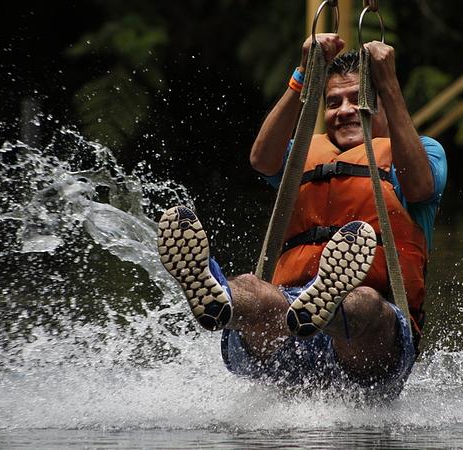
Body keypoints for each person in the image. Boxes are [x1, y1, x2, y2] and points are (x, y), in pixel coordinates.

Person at [157, 34, 447, 400]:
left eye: (358, 99)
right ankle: (221, 301)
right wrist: (302, 77)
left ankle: (328, 309)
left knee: (363, 303)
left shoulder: (422, 153)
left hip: (372, 344)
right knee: (252, 288)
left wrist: (387, 82)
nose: (344, 110)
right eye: (333, 102)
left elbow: (420, 186)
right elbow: (262, 160)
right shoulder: (303, 154)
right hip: (287, 324)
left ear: (381, 102)